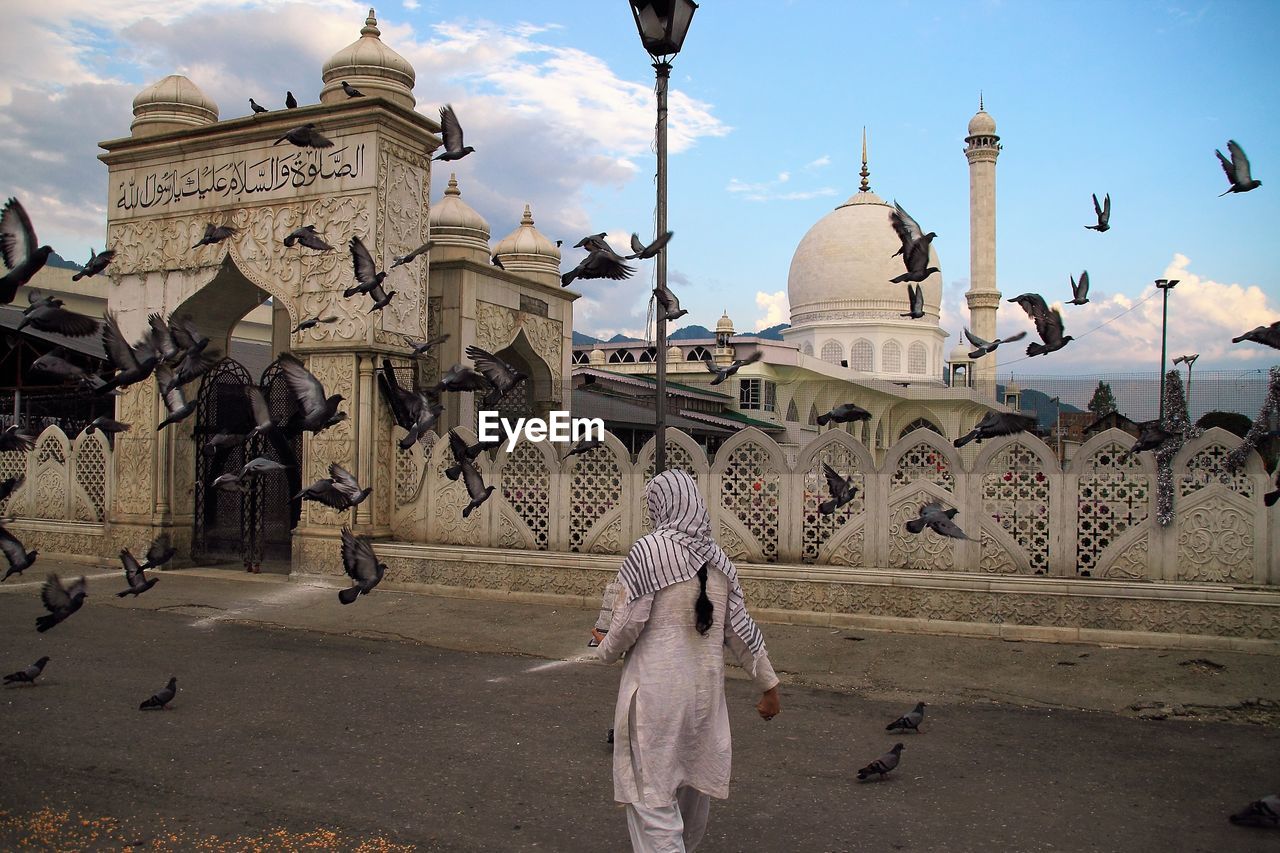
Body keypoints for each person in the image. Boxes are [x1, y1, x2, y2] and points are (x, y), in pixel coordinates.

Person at [593, 469, 780, 853]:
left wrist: (603, 649)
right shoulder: (721, 562)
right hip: (705, 699)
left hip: (657, 697)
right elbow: (741, 632)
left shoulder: (647, 551)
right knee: (692, 791)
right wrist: (769, 687)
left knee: (653, 800)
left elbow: (627, 624)